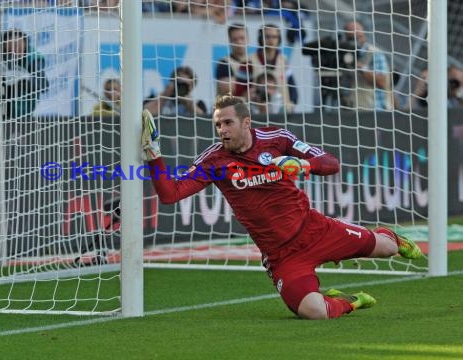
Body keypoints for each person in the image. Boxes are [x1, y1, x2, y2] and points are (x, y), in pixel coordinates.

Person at [141, 94, 422, 320]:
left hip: (315, 229)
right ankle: (350, 301)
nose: (222, 130)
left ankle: (392, 237)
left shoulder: (277, 140)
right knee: (313, 311)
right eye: (218, 125)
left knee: (386, 248)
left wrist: (304, 164)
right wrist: (154, 155)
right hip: (282, 255)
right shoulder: (214, 161)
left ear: (246, 122)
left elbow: (331, 163)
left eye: (228, 123)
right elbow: (171, 194)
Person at [342, 21, 393, 111]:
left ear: (363, 35)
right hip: (355, 110)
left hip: (376, 111)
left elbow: (381, 82)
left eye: (357, 36)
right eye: (351, 38)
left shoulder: (374, 53)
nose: (355, 41)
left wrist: (359, 66)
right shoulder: (345, 55)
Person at [1, 29, 49, 120]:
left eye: (18, 45)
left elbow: (44, 85)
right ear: (4, 46)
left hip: (25, 109)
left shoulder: (33, 58)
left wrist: (24, 81)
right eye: (10, 46)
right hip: (3, 109)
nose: (14, 50)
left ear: (25, 44)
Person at [250, 24, 296, 110]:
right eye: (267, 37)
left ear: (279, 39)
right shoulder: (250, 61)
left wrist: (291, 103)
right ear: (261, 39)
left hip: (282, 112)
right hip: (257, 112)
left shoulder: (283, 60)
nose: (271, 40)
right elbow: (241, 91)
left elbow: (292, 86)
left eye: (274, 37)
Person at [215, 24, 255, 101]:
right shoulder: (224, 63)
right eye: (235, 39)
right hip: (230, 109)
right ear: (230, 41)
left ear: (248, 39)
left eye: (242, 38)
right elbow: (227, 90)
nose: (239, 42)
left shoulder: (255, 60)